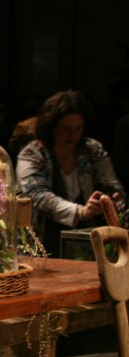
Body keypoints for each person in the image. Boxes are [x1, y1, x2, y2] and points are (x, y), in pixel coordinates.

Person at [16, 90, 125, 256]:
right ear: (51, 127)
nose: (73, 134)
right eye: (66, 129)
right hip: (41, 245)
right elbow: (37, 195)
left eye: (78, 128)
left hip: (86, 244)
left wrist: (113, 198)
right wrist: (81, 211)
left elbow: (112, 183)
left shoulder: (92, 149)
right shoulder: (32, 154)